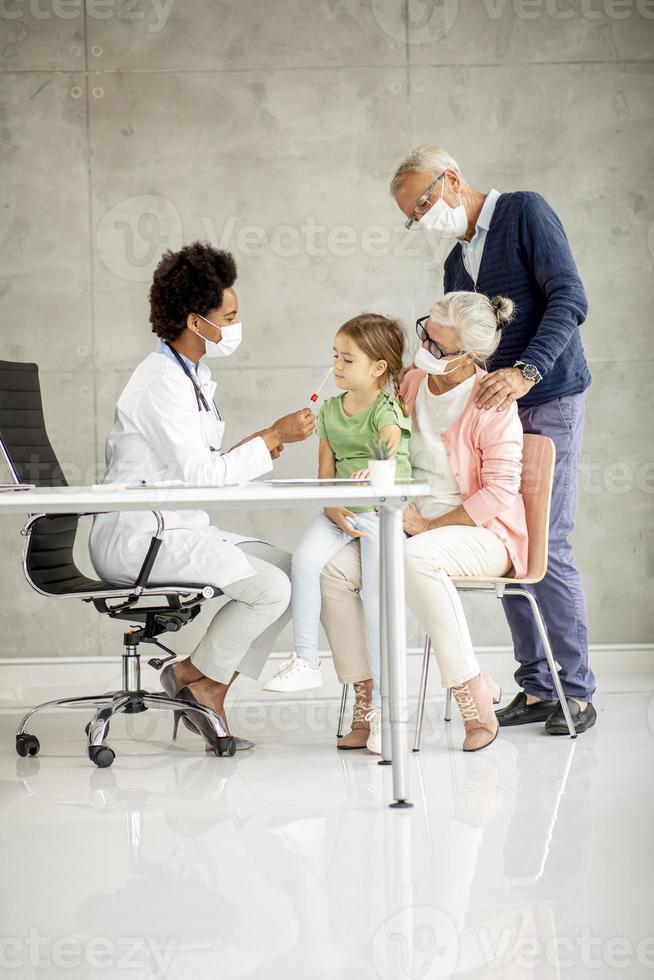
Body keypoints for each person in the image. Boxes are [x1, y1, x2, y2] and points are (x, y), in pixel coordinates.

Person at [389, 144, 596, 735]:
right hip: (491, 416)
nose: (423, 219)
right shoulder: (458, 264)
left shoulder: (525, 212)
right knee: (497, 531)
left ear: (453, 180)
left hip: (548, 395)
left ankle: (575, 690)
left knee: (547, 544)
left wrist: (524, 371)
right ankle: (536, 687)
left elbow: (570, 298)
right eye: (413, 216)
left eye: (424, 203)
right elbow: (466, 348)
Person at [89, 241, 315, 751]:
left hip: (177, 525)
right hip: (139, 536)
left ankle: (204, 682)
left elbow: (196, 465)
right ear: (196, 321)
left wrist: (265, 439)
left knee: (297, 572)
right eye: (228, 316)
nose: (236, 325)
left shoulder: (190, 376)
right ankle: (199, 680)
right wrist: (271, 438)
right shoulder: (159, 386)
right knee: (271, 589)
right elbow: (201, 475)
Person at [321, 291, 529, 752]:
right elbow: (375, 440)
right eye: (426, 335)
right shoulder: (412, 384)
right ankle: (368, 698)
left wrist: (429, 528)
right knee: (334, 569)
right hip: (408, 524)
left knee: (415, 557)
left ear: (469, 354)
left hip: (481, 534)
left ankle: (470, 691)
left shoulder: (490, 401)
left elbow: (499, 492)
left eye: (438, 347)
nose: (425, 350)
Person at [262, 314, 411, 755]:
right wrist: (331, 503)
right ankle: (306, 659)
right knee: (305, 561)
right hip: (341, 512)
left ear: (378, 368)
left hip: (381, 513)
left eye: (349, 359)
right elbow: (325, 476)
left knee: (379, 605)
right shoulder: (328, 411)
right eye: (335, 356)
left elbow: (390, 444)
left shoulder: (386, 410)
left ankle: (384, 710)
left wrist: (376, 467)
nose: (338, 365)